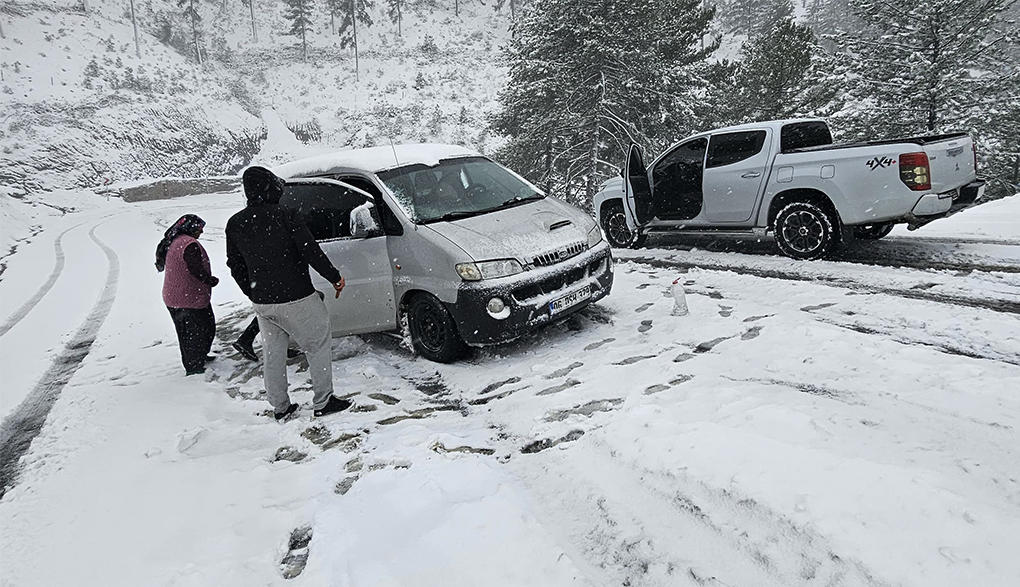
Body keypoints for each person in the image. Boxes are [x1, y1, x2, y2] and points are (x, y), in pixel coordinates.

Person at [225, 166, 350, 421]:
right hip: (298, 297)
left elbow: (234, 266)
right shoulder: (286, 215)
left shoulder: (235, 222)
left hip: (263, 303)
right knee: (317, 345)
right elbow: (310, 251)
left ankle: (280, 407)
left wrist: (252, 293)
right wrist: (334, 277)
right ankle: (324, 401)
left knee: (273, 354)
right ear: (270, 187)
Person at [155, 214, 219, 376]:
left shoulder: (177, 240)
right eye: (199, 228)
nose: (201, 232)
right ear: (190, 228)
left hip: (179, 296)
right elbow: (195, 269)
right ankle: (193, 367)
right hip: (185, 298)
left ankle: (198, 357)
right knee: (193, 332)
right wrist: (210, 280)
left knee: (201, 328)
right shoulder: (188, 244)